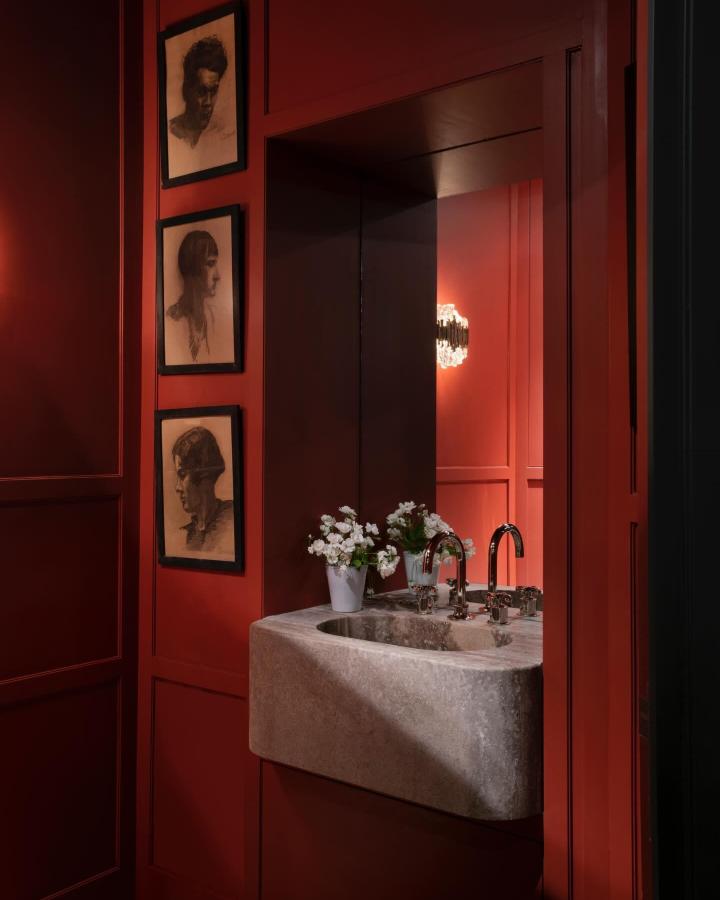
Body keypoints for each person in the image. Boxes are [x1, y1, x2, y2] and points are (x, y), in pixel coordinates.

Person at [172, 426, 234, 554]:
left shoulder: (232, 520)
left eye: (182, 475)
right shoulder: (185, 536)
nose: (177, 488)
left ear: (203, 474)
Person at [166, 229, 220, 363]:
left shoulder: (212, 319)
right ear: (193, 268)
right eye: (210, 264)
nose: (218, 276)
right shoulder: (172, 323)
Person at [170, 36, 228, 148]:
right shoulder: (171, 132)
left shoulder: (222, 133)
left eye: (214, 91)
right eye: (201, 91)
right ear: (186, 90)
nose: (208, 102)